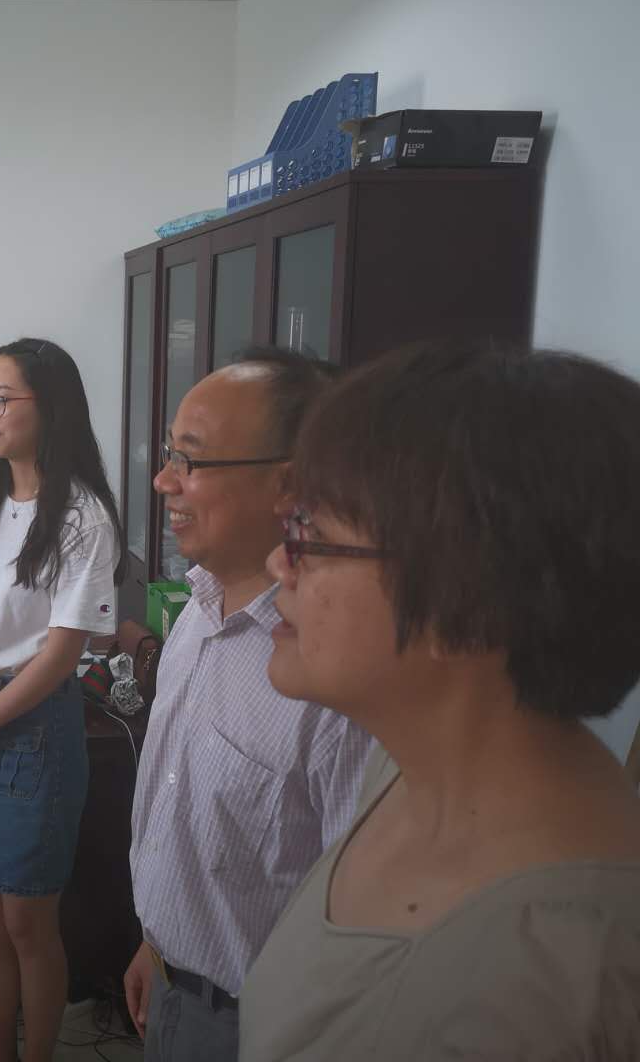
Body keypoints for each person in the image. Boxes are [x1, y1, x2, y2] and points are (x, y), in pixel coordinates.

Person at [242, 341, 640, 1060]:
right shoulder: (403, 770)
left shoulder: (555, 981)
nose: (277, 563)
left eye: (311, 537)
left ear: (469, 606)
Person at [124, 349, 372, 1062]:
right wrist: (156, 944)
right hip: (170, 983)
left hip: (261, 1025)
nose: (163, 479)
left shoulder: (332, 680)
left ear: (288, 485)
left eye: (190, 459)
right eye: (168, 453)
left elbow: (359, 927)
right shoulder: (198, 608)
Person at [0, 338, 123, 1062]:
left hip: (30, 726)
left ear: (52, 406)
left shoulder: (82, 518)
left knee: (26, 924)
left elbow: (62, 655)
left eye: (3, 399)